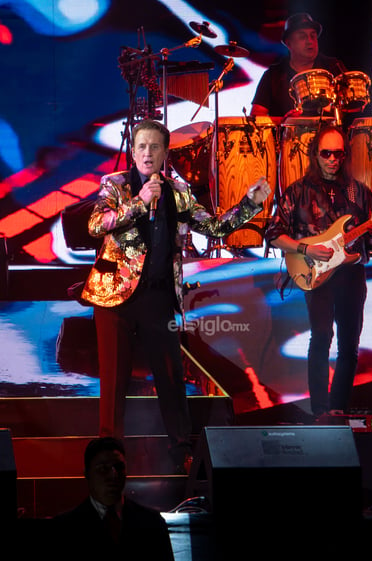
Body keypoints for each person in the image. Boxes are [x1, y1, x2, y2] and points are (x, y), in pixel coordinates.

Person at [81, 119, 271, 473]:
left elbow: (213, 227)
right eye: (141, 147)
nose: (148, 153)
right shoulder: (115, 185)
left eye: (155, 147)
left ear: (166, 153)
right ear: (132, 151)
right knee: (114, 379)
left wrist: (249, 204)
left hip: (158, 297)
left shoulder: (178, 191)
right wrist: (139, 202)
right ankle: (110, 451)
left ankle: (181, 451)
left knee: (170, 377)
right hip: (115, 298)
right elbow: (96, 225)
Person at [265, 125, 372, 419]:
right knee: (320, 337)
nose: (333, 159)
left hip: (351, 274)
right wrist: (306, 249)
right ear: (315, 155)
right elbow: (272, 233)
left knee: (349, 345)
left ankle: (338, 409)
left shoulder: (359, 192)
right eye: (326, 153)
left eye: (338, 154)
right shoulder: (297, 191)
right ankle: (319, 410)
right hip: (315, 273)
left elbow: (370, 243)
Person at [50, 437, 175, 561]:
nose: (113, 475)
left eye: (119, 467)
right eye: (103, 469)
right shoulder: (64, 528)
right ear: (87, 473)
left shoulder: (152, 522)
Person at [250, 12, 346, 119]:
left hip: (330, 133)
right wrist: (286, 122)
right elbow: (256, 115)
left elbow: (351, 105)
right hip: (286, 135)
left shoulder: (334, 67)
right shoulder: (273, 74)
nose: (310, 41)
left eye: (313, 36)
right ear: (289, 43)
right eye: (302, 37)